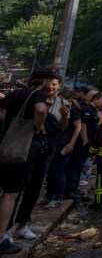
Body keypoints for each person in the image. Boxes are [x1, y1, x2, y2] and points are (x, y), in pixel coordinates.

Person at [0, 68, 52, 253]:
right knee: (11, 194)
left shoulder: (15, 94)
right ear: (44, 81)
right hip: (24, 149)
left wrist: (9, 124)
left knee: (6, 190)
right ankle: (2, 240)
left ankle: (5, 233)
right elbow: (40, 109)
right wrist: (37, 126)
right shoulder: (38, 94)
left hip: (7, 144)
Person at [12, 72, 65, 233]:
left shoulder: (62, 103)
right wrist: (36, 127)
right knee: (15, 187)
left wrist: (65, 115)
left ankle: (23, 223)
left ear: (59, 86)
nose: (50, 86)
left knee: (35, 185)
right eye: (49, 82)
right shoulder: (31, 97)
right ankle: (6, 227)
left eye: (54, 84)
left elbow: (62, 128)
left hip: (47, 145)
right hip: (26, 142)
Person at [42, 87, 82, 208]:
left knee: (59, 171)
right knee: (51, 170)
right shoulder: (57, 108)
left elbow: (78, 127)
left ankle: (58, 197)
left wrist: (71, 143)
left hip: (64, 143)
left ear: (69, 100)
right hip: (55, 142)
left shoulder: (73, 110)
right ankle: (49, 196)